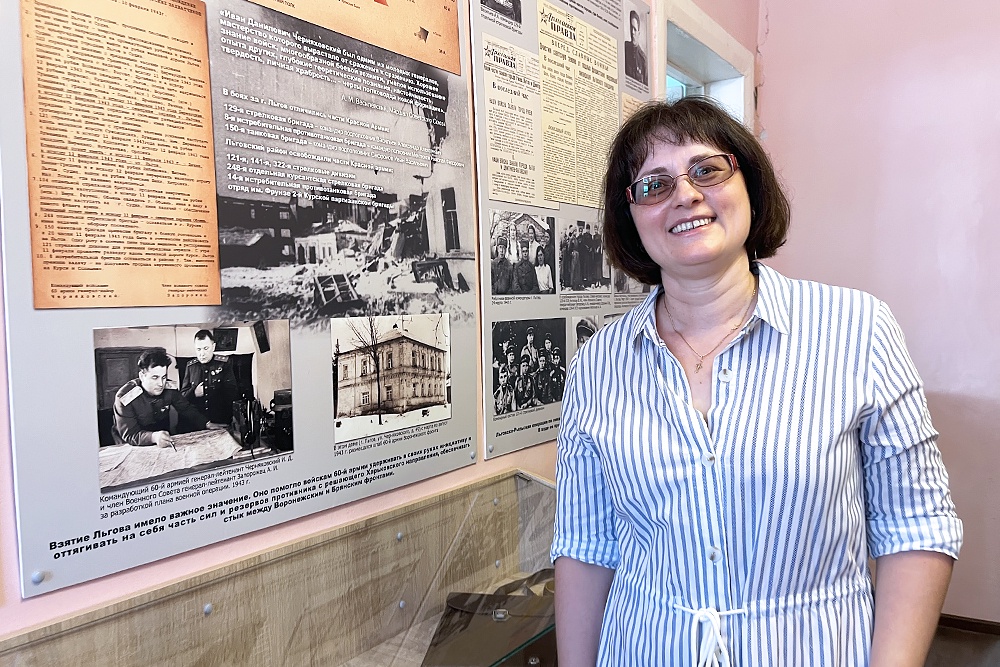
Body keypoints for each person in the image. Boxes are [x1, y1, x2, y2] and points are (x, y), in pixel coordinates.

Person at [551, 97, 962, 666]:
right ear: (631, 219)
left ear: (749, 182)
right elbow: (585, 546)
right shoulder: (598, 362)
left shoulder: (857, 328)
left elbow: (916, 525)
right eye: (654, 185)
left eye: (707, 170)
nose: (685, 195)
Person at [113, 347, 224, 448]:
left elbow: (186, 408)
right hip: (130, 443)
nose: (161, 384)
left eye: (164, 377)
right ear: (142, 376)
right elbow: (130, 434)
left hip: (161, 439)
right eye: (155, 377)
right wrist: (153, 437)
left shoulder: (169, 388)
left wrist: (206, 423)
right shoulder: (125, 397)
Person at [181, 329, 239, 425]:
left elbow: (232, 393)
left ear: (213, 347)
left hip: (220, 420)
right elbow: (182, 397)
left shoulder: (224, 364)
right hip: (197, 423)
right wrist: (194, 393)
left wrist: (212, 390)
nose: (202, 353)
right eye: (198, 349)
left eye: (205, 348)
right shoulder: (191, 366)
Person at [624, 10, 647, 85]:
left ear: (638, 33)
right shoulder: (624, 48)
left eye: (635, 29)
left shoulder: (643, 59)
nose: (632, 32)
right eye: (631, 28)